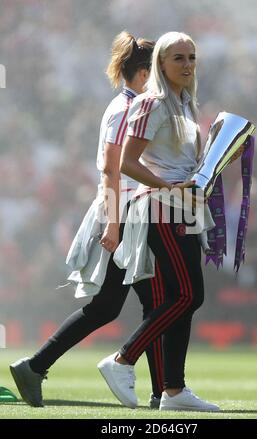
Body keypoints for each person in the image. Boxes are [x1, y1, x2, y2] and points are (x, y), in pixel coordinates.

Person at [9, 31, 164, 409]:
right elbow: (111, 171)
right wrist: (113, 224)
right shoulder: (127, 109)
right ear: (144, 74)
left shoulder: (128, 106)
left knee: (115, 306)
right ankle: (165, 392)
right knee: (157, 303)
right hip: (125, 216)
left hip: (129, 214)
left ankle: (35, 365)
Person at [98, 31, 220, 412]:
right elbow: (126, 163)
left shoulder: (186, 102)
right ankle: (122, 360)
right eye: (178, 58)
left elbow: (185, 164)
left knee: (180, 300)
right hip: (159, 209)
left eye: (191, 58)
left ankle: (174, 391)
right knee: (188, 296)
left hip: (183, 207)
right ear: (160, 64)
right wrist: (170, 185)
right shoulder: (152, 102)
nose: (187, 65)